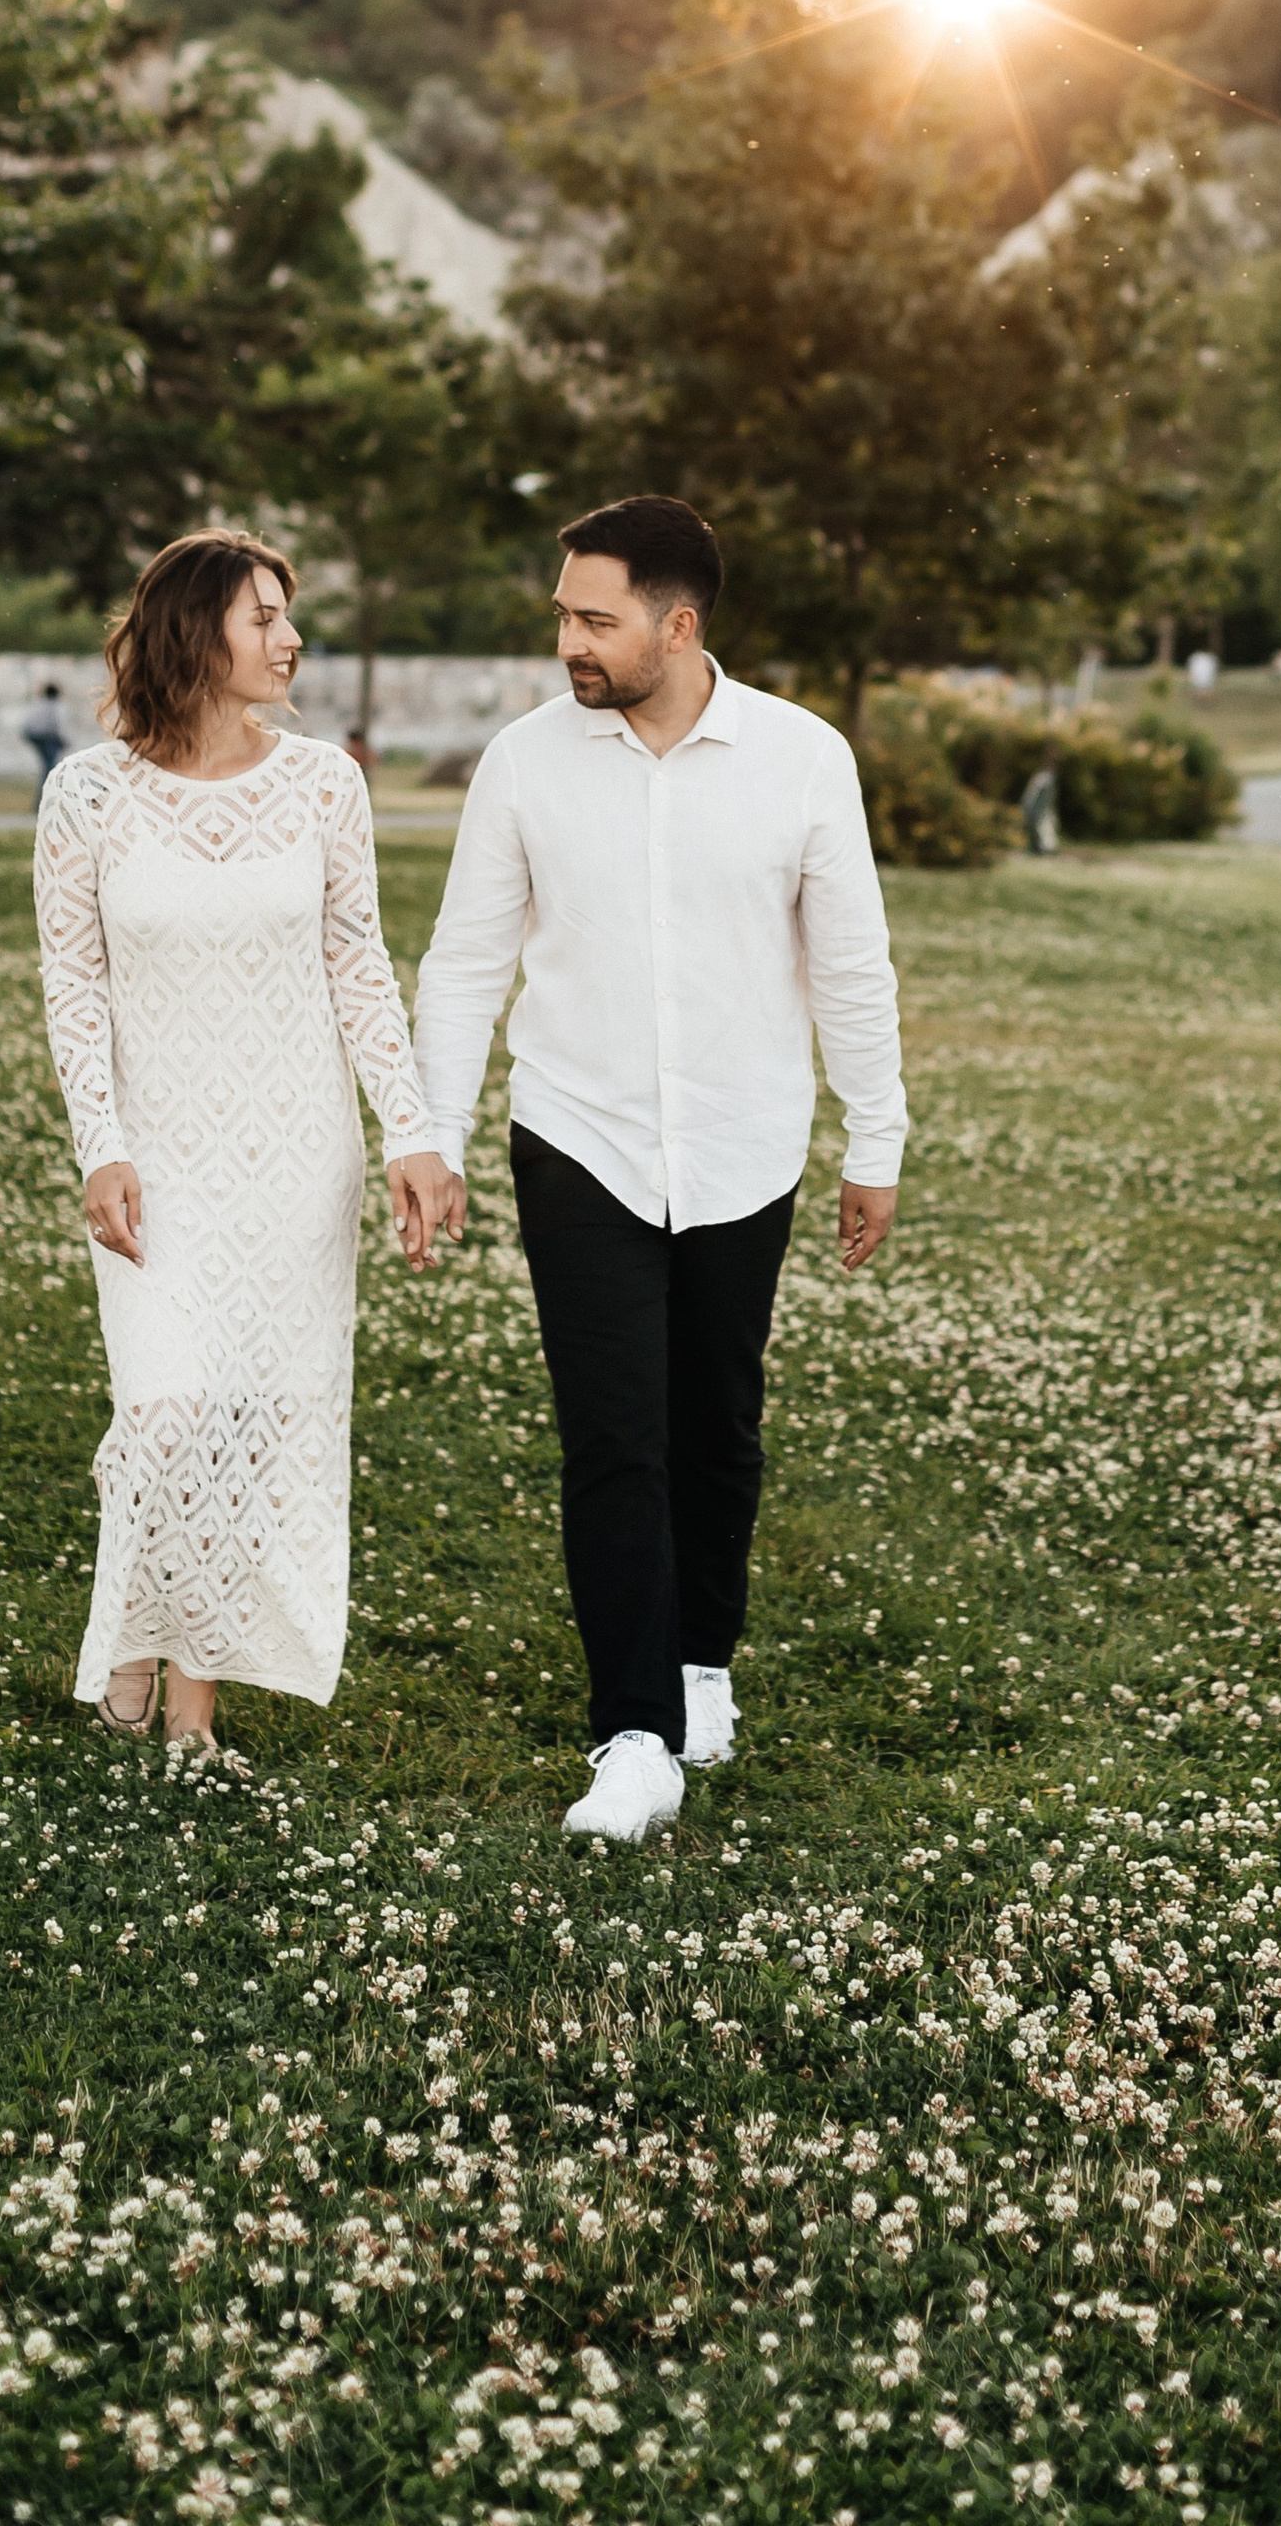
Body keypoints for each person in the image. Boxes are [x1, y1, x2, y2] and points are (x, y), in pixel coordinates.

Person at [414, 493, 907, 1844]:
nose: (568, 638)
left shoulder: (803, 760)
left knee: (716, 1421)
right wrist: (431, 1132)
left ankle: (700, 1667)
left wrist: (877, 1139)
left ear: (678, 625)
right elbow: (465, 962)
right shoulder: (525, 763)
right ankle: (632, 1737)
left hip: (748, 1144)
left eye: (595, 616)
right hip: (578, 1136)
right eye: (564, 613)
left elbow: (850, 965)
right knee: (614, 1435)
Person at [32, 530, 458, 1759]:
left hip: (293, 1160)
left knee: (252, 1428)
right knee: (165, 1410)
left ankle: (189, 1711)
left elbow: (358, 969)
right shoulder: (87, 794)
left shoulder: (325, 783)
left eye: (291, 615)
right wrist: (98, 1145)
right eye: (264, 616)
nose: (290, 638)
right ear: (194, 631)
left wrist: (410, 1135)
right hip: (157, 1160)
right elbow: (76, 987)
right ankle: (132, 1642)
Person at [22, 679, 70, 804]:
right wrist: (65, 741)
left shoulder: (38, 704)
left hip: (35, 736)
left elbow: (27, 724)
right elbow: (59, 727)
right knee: (49, 769)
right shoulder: (56, 706)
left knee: (47, 767)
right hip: (47, 738)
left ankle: (43, 800)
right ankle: (46, 800)